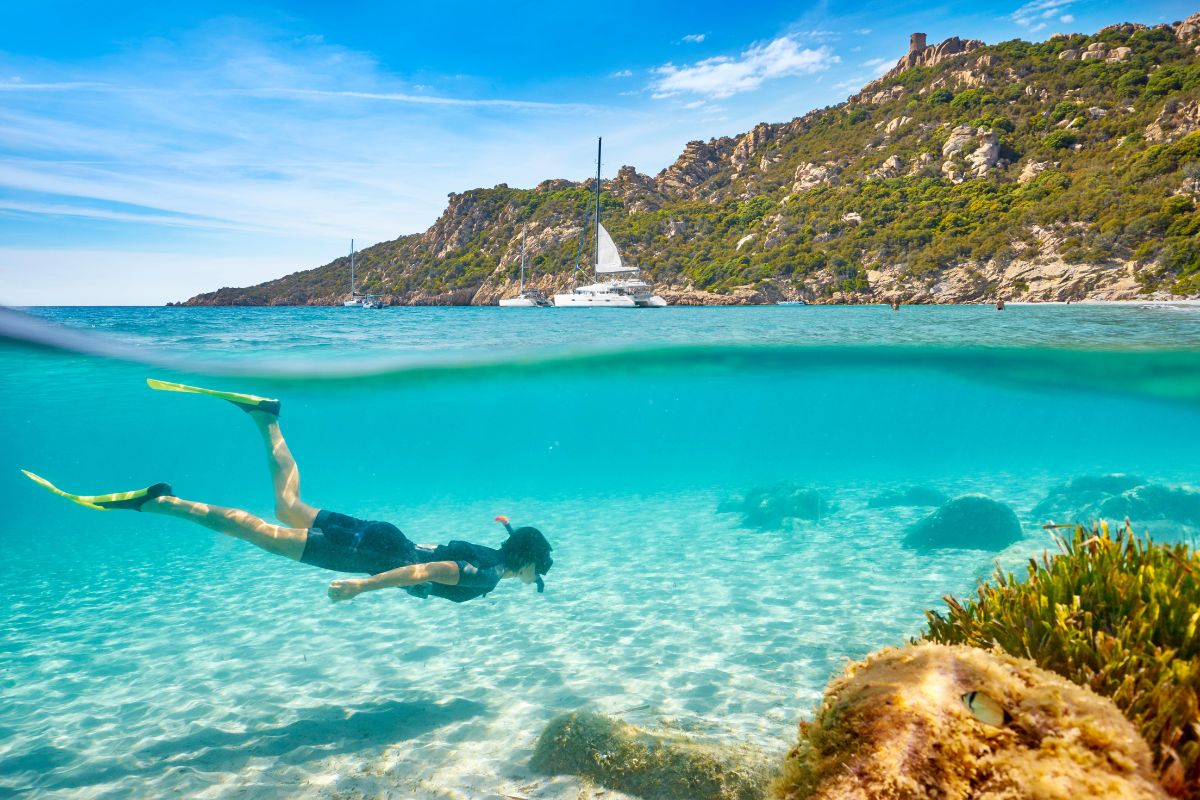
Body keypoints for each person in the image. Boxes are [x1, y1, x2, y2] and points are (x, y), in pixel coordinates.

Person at [23, 380, 553, 604]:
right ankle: (161, 501)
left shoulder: (496, 552)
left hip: (390, 536)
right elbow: (428, 572)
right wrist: (362, 590)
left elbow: (449, 550)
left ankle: (266, 417)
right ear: (526, 563)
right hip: (375, 553)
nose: (534, 581)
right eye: (538, 573)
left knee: (288, 505)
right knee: (262, 532)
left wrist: (507, 524)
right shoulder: (485, 577)